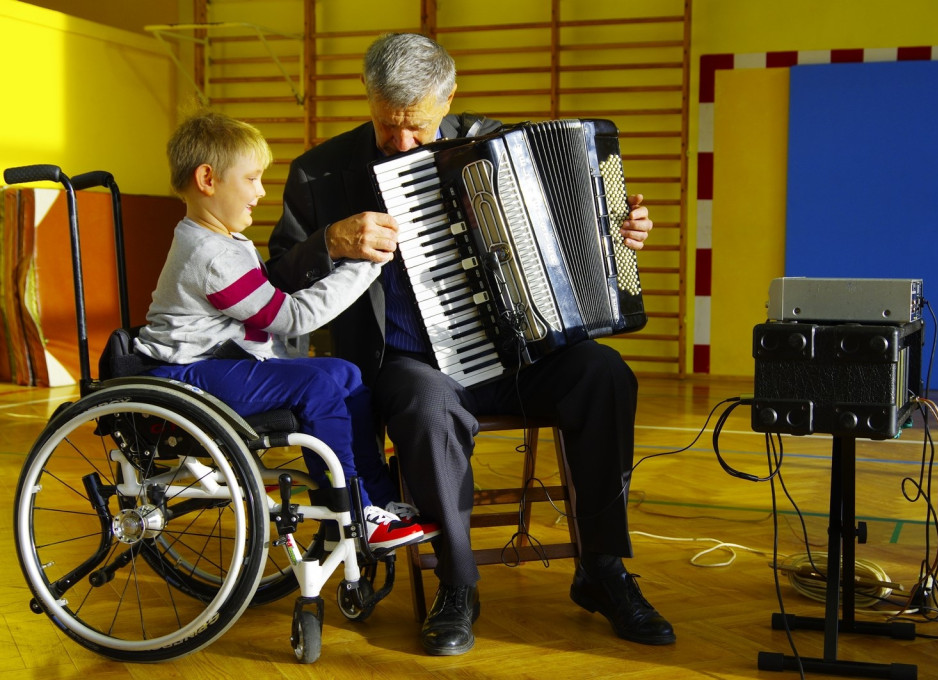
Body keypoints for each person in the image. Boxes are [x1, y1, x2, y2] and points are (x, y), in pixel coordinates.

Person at [267, 33, 674, 655]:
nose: (402, 143)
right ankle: (457, 583)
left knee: (604, 373)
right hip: (411, 363)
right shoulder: (320, 172)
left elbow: (580, 237)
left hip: (519, 355)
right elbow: (274, 281)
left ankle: (603, 569)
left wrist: (619, 234)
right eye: (386, 126)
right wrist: (330, 241)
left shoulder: (497, 149)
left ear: (449, 98)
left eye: (418, 128)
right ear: (367, 99)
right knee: (426, 404)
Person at [134, 110, 433, 554]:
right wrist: (366, 267)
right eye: (251, 179)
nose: (260, 191)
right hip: (186, 375)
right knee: (316, 384)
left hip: (217, 363)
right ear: (207, 179)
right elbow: (291, 318)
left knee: (345, 374)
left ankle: (375, 496)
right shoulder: (211, 255)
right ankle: (351, 507)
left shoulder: (221, 241)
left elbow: (263, 310)